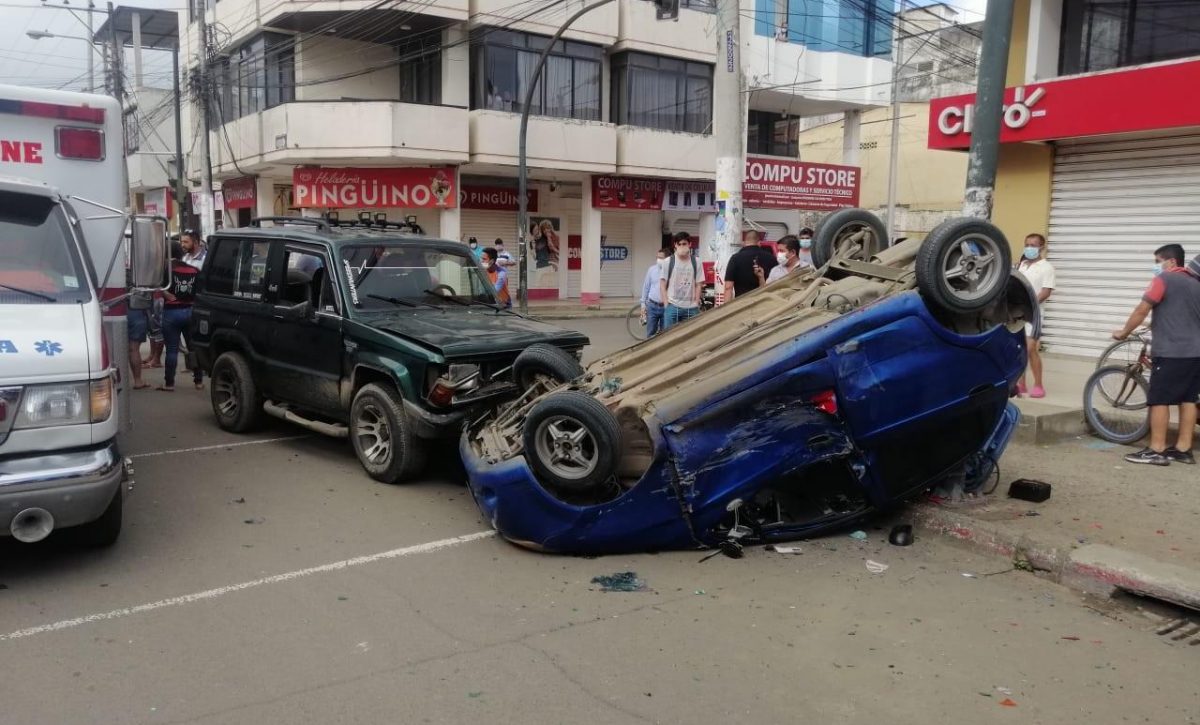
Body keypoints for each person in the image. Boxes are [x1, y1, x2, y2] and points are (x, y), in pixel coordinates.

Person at [1112, 244, 1200, 466]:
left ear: (1171, 262)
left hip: (1171, 352)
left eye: (1157, 261)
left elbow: (1142, 309)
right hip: (1194, 353)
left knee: (1159, 399)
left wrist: (1124, 332)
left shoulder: (1165, 279)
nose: (1155, 267)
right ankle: (1183, 449)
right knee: (1188, 400)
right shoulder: (1196, 284)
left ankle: (1156, 449)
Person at [1015, 233, 1056, 398]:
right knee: (1021, 350)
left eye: (1033, 245)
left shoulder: (1047, 267)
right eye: (1027, 245)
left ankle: (1039, 385)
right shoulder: (1021, 265)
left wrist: (1029, 304)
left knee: (1029, 349)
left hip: (1034, 315)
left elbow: (1046, 292)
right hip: (1017, 314)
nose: (1029, 248)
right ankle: (1021, 384)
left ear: (1041, 247)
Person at [159, 242, 203, 392]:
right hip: (190, 311)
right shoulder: (194, 270)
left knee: (171, 350)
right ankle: (198, 382)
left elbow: (158, 287)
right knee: (193, 348)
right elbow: (199, 292)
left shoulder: (165, 270)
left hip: (171, 312)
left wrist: (165, 294)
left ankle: (169, 383)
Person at [659, 232, 702, 329]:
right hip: (672, 307)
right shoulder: (668, 261)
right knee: (669, 338)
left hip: (691, 308)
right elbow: (662, 284)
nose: (682, 246)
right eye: (679, 244)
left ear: (690, 244)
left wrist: (696, 302)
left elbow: (698, 284)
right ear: (675, 245)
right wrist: (666, 304)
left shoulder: (696, 261)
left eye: (684, 244)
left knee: (693, 338)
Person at [723, 229, 777, 300]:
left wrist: (726, 309)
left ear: (744, 242)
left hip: (741, 303)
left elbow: (728, 287)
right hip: (764, 303)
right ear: (759, 242)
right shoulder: (771, 258)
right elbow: (777, 284)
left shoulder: (735, 258)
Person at [640, 246, 669, 337]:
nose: (658, 260)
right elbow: (646, 287)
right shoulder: (651, 270)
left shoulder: (671, 271)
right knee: (650, 334)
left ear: (667, 259)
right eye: (657, 257)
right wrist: (643, 305)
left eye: (661, 258)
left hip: (666, 307)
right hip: (652, 306)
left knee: (665, 334)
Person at [126, 286, 152, 390]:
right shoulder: (140, 273)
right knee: (134, 348)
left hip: (114, 307)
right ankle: (137, 380)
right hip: (136, 309)